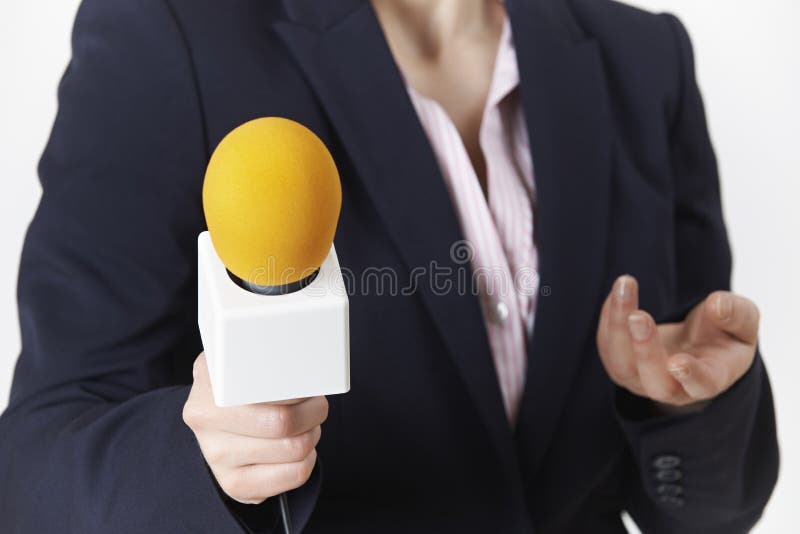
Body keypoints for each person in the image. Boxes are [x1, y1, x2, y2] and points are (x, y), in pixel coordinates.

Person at [0, 0, 779, 532]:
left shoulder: (643, 59)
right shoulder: (168, 36)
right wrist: (201, 463)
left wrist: (690, 411)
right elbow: (36, 465)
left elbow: (707, 515)